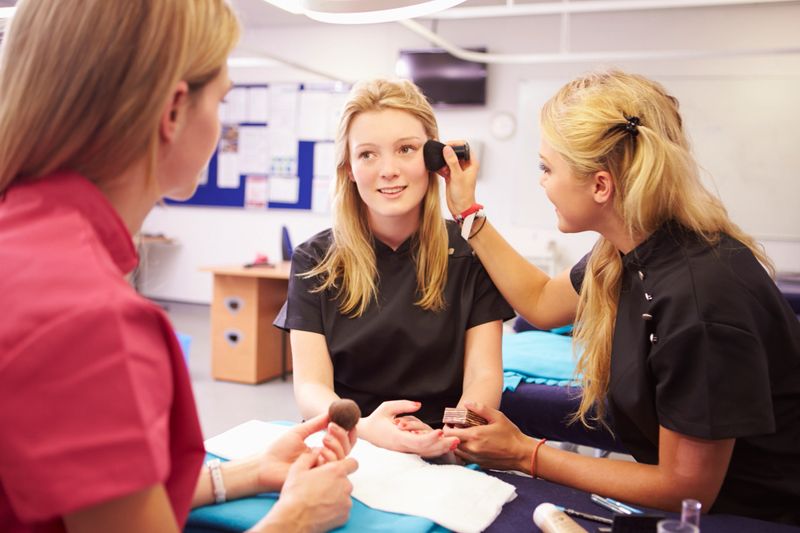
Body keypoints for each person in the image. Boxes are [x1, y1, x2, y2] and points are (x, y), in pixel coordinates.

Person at [0, 2, 356, 532]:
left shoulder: (25, 244)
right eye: (222, 100)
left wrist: (252, 472)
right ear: (172, 112)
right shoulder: (93, 319)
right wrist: (298, 518)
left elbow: (87, 498)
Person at [438, 70, 800, 524]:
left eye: (547, 168)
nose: (542, 182)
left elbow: (686, 488)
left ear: (601, 186)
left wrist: (525, 453)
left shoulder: (700, 300)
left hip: (758, 515)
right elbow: (541, 301)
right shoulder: (633, 248)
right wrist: (467, 212)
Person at [274, 79, 515, 458]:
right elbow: (311, 388)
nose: (388, 170)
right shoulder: (313, 260)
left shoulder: (471, 253)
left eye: (406, 149)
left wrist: (451, 434)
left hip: (448, 446)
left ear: (434, 159)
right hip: (353, 441)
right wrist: (365, 428)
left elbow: (483, 378)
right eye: (368, 154)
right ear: (349, 168)